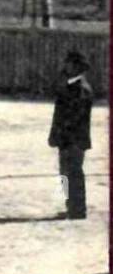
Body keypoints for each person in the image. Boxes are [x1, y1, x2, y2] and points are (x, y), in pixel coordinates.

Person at [49, 51, 92, 220]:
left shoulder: (79, 88)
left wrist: (61, 135)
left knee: (73, 173)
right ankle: (72, 207)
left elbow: (73, 116)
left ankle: (77, 209)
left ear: (75, 67)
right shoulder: (72, 86)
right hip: (69, 138)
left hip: (73, 139)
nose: (64, 66)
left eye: (68, 63)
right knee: (66, 174)